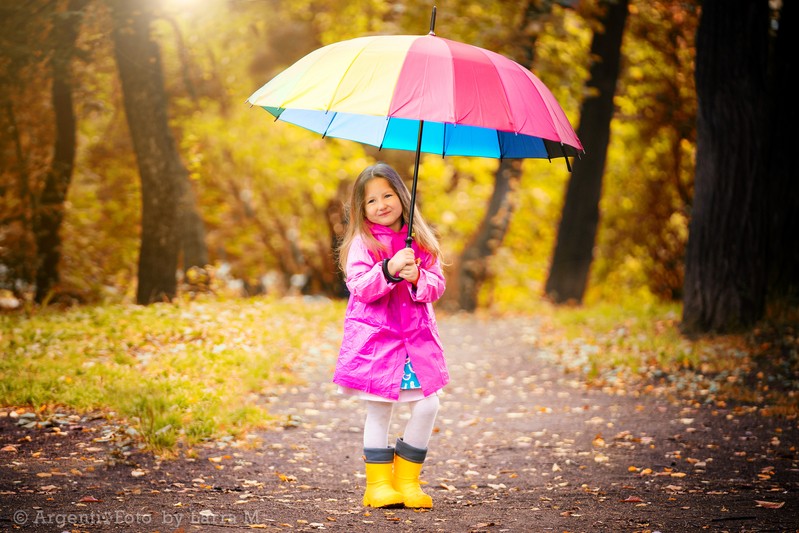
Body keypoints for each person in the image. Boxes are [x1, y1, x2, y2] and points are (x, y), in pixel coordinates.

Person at [333, 162, 449, 509]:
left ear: (401, 195)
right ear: (361, 208)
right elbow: (359, 287)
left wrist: (417, 278)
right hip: (377, 341)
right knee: (380, 409)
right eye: (371, 201)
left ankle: (407, 481)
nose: (381, 204)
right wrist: (389, 267)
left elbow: (437, 286)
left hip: (414, 340)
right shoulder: (362, 242)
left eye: (387, 195)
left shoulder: (421, 240)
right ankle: (379, 485)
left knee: (428, 404)